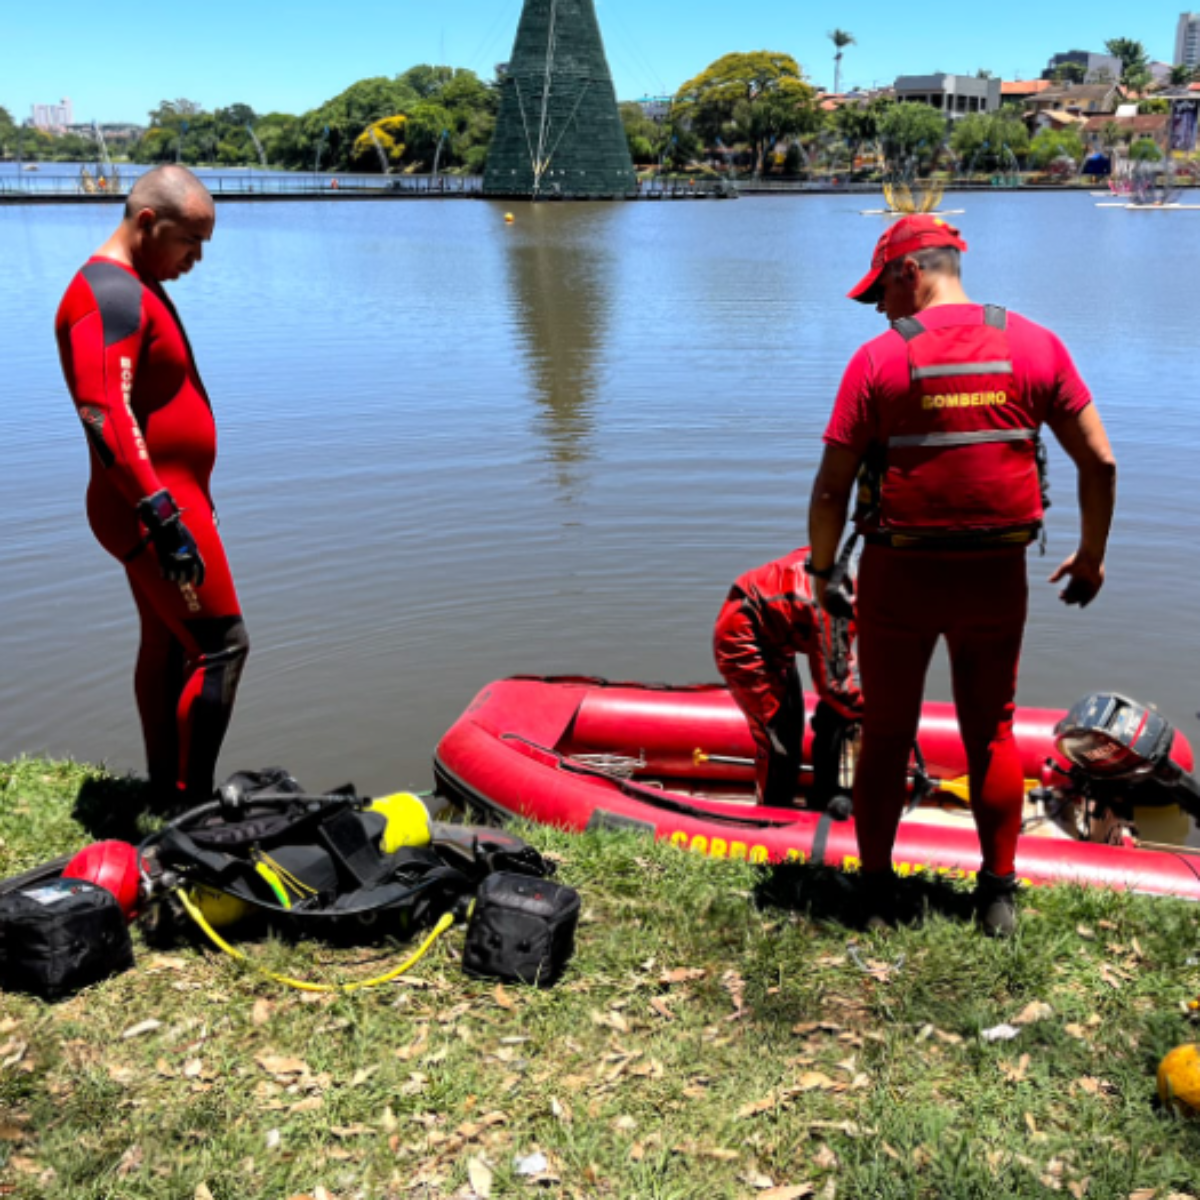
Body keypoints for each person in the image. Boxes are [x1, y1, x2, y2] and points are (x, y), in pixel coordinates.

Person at [807, 214, 1117, 935]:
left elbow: (830, 489)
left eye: (880, 291)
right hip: (993, 576)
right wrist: (1092, 552)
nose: (880, 309)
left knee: (885, 733)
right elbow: (1099, 461)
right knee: (992, 734)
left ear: (909, 272)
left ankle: (878, 893)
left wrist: (823, 572)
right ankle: (997, 896)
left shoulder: (877, 363)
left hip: (900, 575)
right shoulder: (1036, 346)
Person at [55, 165, 249, 812]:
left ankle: (166, 790)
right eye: (189, 241)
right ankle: (192, 808)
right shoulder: (105, 296)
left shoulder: (135, 284)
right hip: (150, 506)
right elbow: (104, 412)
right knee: (222, 647)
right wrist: (165, 517)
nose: (195, 258)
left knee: (170, 642)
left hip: (165, 499)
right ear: (146, 223)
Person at [713, 548, 863, 815]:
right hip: (745, 639)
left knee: (800, 720)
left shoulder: (847, 567)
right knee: (779, 740)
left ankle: (817, 797)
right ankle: (772, 814)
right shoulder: (836, 606)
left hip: (777, 633)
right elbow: (832, 686)